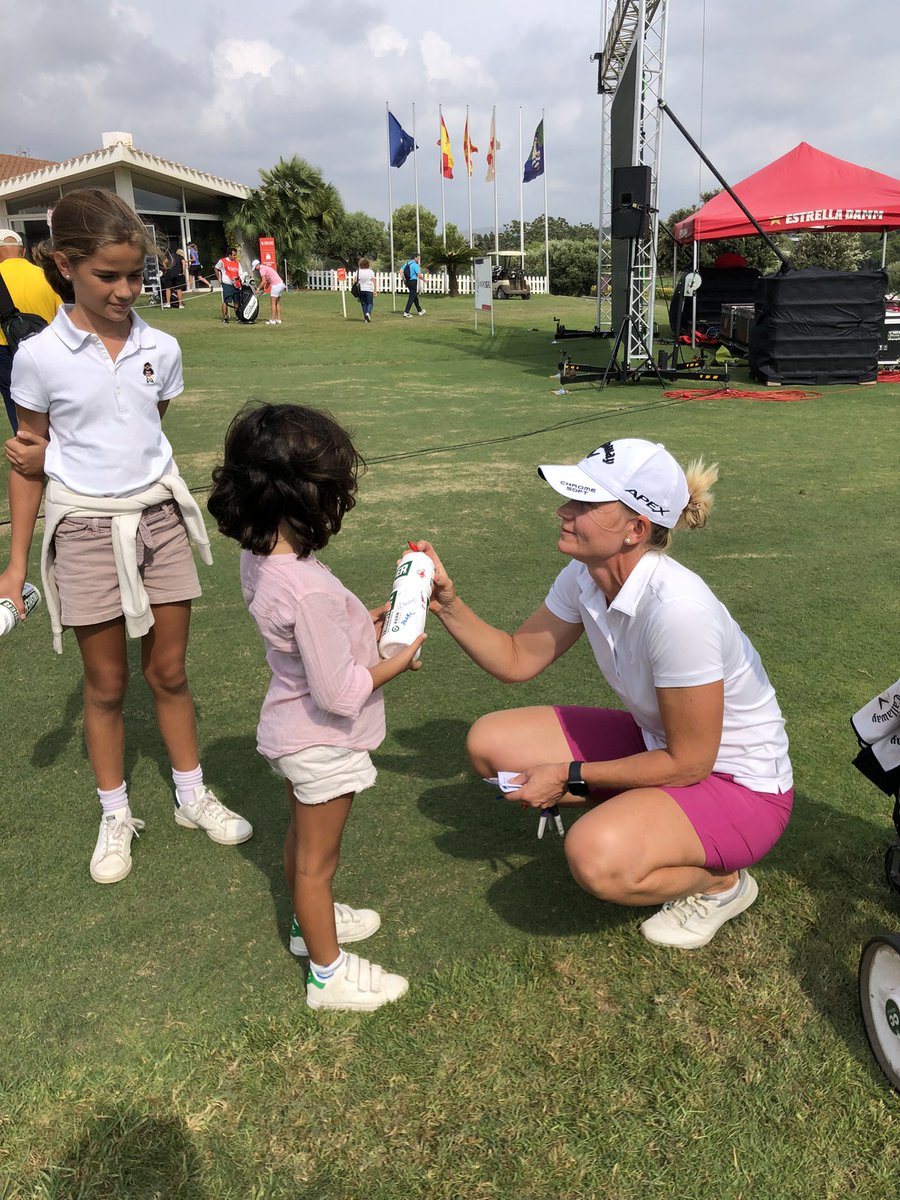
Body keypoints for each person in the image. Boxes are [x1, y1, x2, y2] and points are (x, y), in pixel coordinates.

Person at [416, 437, 793, 950]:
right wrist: (447, 604)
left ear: (636, 529)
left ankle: (722, 883)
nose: (563, 511)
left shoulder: (679, 610)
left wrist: (568, 775)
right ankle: (646, 817)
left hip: (741, 785)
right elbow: (516, 658)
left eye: (585, 504)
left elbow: (690, 764)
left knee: (595, 856)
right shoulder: (584, 576)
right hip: (658, 743)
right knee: (490, 743)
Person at [0, 188, 253, 884]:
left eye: (133, 275)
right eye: (106, 275)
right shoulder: (39, 356)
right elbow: (29, 460)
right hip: (82, 529)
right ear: (64, 266)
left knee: (168, 672)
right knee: (106, 683)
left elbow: (142, 429)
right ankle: (116, 811)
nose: (123, 290)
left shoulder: (161, 346)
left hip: (159, 521)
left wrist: (60, 460)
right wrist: (14, 562)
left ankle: (190, 793)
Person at [207, 403, 423, 1011]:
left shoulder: (262, 561)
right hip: (323, 742)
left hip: (289, 731)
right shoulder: (308, 590)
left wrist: (362, 622)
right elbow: (341, 691)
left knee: (303, 845)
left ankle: (311, 924)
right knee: (316, 865)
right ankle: (328, 976)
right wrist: (395, 660)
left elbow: (307, 641)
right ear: (308, 497)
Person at [0, 229, 61, 433]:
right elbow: (62, 312)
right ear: (23, 251)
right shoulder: (44, 274)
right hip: (46, 344)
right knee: (52, 400)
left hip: (5, 349)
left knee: (15, 401)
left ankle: (28, 445)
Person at [251, 258, 285, 325]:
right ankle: (278, 319)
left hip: (276, 285)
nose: (256, 269)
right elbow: (267, 281)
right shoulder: (265, 268)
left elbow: (263, 281)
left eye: (255, 267)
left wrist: (258, 289)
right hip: (281, 284)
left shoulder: (261, 269)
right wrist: (264, 290)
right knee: (277, 302)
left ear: (257, 265)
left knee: (272, 303)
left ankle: (272, 320)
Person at [213, 246, 243, 324]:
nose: (235, 256)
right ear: (229, 255)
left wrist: (238, 279)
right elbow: (216, 268)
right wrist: (219, 279)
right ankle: (225, 317)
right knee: (226, 301)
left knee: (236, 302)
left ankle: (238, 317)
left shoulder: (237, 263)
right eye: (234, 255)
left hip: (236, 285)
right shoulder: (222, 261)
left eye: (236, 255)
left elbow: (241, 273)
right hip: (227, 284)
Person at [402, 253, 426, 318]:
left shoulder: (407, 263)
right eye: (418, 258)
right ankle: (406, 312)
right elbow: (418, 275)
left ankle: (419, 311)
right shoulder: (415, 265)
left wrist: (404, 279)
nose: (418, 259)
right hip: (413, 282)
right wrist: (424, 280)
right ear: (415, 257)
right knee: (412, 297)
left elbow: (401, 271)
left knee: (414, 296)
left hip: (408, 281)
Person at [354, 258, 377, 323]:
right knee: (370, 303)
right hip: (369, 289)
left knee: (363, 304)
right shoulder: (370, 271)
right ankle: (368, 313)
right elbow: (374, 281)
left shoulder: (358, 271)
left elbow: (355, 281)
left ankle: (366, 318)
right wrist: (375, 290)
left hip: (361, 289)